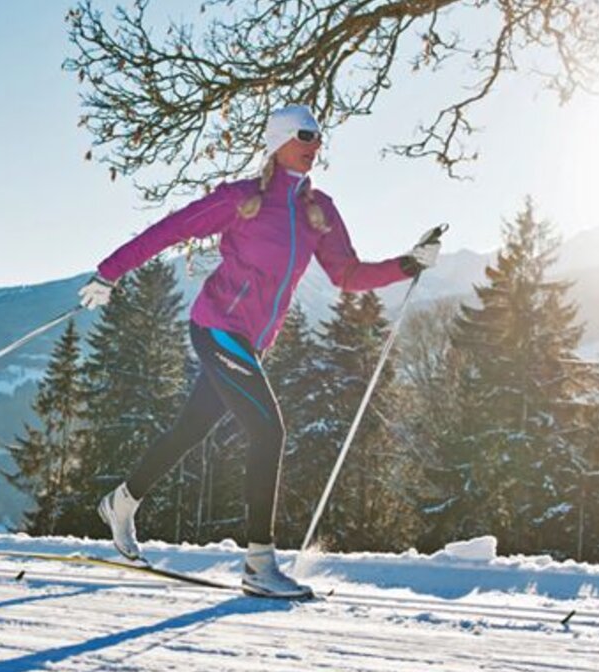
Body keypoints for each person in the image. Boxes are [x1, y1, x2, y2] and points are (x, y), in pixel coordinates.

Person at [78, 105, 440, 598]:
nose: (315, 145)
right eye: (305, 135)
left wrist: (407, 263)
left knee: (192, 428)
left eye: (319, 137)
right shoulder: (242, 198)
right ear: (279, 140)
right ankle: (258, 565)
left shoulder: (320, 210)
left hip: (251, 343)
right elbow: (170, 230)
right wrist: (110, 272)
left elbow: (347, 275)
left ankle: (122, 501)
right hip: (217, 327)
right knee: (268, 430)